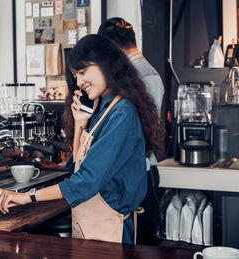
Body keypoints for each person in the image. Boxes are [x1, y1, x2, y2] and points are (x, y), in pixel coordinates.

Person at [0, 34, 163, 244]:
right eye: (75, 75)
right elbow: (74, 166)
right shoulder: (103, 109)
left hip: (110, 230)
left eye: (83, 71)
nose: (79, 81)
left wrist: (27, 197)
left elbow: (86, 181)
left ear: (106, 63)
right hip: (89, 225)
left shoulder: (121, 113)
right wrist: (80, 123)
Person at [98, 17, 165, 245]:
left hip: (137, 174)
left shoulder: (137, 76)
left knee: (139, 244)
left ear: (112, 48)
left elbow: (134, 132)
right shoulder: (146, 72)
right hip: (142, 171)